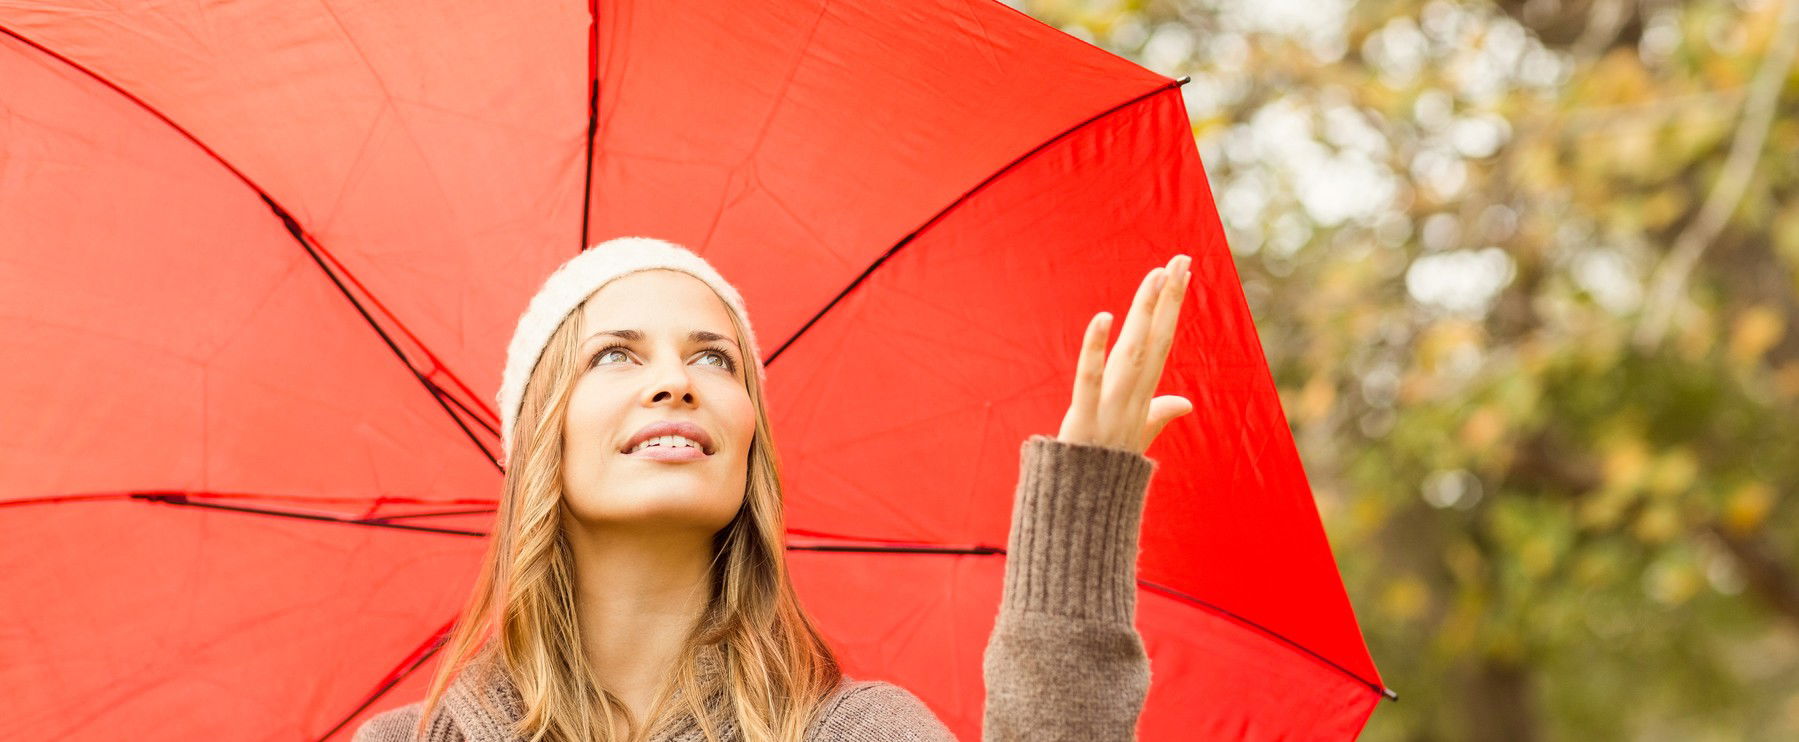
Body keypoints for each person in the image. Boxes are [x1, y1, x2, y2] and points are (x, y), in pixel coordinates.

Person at [351, 236, 1193, 742]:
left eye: (714, 358)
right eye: (615, 353)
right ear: (539, 436)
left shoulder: (857, 733)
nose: (676, 382)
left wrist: (1076, 532)